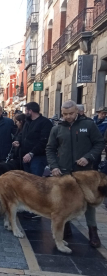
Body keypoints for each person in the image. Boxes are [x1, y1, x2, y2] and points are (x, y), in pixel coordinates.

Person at [47, 100, 104, 248]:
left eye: (71, 113)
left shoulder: (89, 125)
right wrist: (54, 166)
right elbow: (50, 149)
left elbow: (99, 143)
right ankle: (66, 228)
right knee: (65, 201)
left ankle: (93, 232)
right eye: (65, 114)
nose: (68, 116)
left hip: (85, 174)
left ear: (77, 111)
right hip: (64, 172)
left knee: (90, 202)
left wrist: (88, 157)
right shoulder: (57, 128)